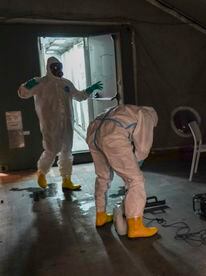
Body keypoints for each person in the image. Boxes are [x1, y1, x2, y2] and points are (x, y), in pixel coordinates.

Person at [18, 56, 102, 190]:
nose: (58, 69)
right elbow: (23, 94)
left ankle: (66, 180)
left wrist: (90, 89)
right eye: (54, 66)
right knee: (51, 150)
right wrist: (26, 86)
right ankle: (42, 173)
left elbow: (79, 96)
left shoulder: (66, 83)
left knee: (67, 151)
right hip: (50, 124)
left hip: (67, 123)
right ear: (49, 68)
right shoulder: (40, 82)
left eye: (59, 66)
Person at [86, 104, 158, 239]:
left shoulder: (127, 110)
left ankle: (100, 216)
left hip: (94, 131)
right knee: (136, 180)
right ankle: (136, 227)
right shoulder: (148, 115)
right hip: (112, 135)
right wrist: (134, 164)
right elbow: (143, 148)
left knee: (103, 176)